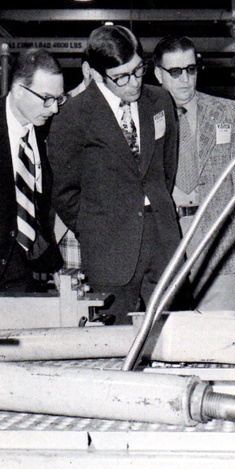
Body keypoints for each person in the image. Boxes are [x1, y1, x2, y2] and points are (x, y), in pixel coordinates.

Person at [47, 25, 181, 324]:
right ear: (95, 74)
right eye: (121, 77)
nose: (134, 83)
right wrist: (96, 228)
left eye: (138, 70)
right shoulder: (73, 114)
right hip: (109, 250)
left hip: (163, 240)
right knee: (113, 345)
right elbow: (64, 190)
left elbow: (166, 168)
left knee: (171, 338)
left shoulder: (160, 101)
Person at [153, 35, 235, 312]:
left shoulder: (226, 111)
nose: (185, 79)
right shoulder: (144, 114)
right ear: (158, 74)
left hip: (217, 234)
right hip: (165, 234)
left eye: (190, 69)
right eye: (175, 72)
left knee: (220, 329)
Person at [0, 48, 66, 293]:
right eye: (47, 98)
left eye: (59, 99)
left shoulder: (41, 133)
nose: (54, 109)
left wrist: (54, 268)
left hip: (24, 275)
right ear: (19, 90)